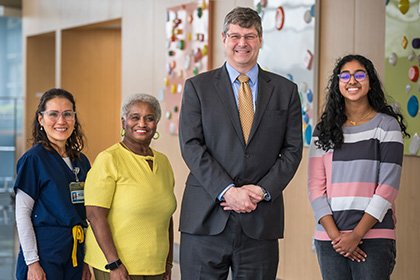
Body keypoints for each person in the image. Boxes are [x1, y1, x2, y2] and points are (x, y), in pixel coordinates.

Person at [178, 6, 303, 280]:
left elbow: (293, 151)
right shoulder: (197, 87)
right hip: (206, 218)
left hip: (260, 220)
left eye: (249, 36)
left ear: (260, 40)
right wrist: (227, 191)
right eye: (235, 36)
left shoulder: (285, 91)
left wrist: (261, 190)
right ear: (224, 39)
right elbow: (191, 145)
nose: (242, 43)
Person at [308, 54, 410, 280]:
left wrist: (356, 235)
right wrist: (337, 237)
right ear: (337, 83)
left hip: (373, 238)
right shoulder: (324, 130)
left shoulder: (386, 125)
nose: (352, 80)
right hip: (329, 240)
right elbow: (315, 187)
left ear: (370, 81)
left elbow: (388, 188)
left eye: (359, 75)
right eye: (345, 75)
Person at [84, 93, 176, 280]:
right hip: (117, 265)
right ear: (123, 122)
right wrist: (114, 264)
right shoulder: (109, 159)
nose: (142, 124)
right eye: (135, 117)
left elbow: (166, 216)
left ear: (156, 124)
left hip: (154, 265)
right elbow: (94, 216)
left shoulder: (163, 162)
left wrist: (167, 262)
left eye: (149, 118)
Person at [14, 88, 91, 280]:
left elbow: (87, 214)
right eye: (53, 114)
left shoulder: (81, 161)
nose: (61, 121)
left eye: (67, 114)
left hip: (75, 250)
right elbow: (22, 213)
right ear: (41, 119)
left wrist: (86, 259)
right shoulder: (34, 160)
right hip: (44, 252)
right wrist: (32, 263)